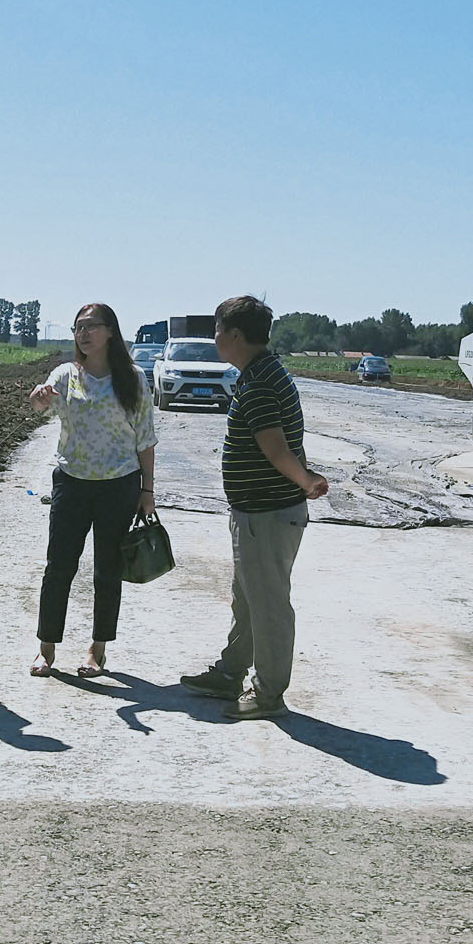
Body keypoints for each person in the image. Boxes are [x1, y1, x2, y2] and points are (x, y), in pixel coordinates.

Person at [179, 295, 328, 720]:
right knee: (247, 601)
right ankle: (231, 673)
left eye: (217, 330)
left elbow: (275, 449)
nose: (214, 338)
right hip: (257, 513)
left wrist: (305, 481)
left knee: (268, 606)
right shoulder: (262, 372)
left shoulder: (260, 381)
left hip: (267, 513)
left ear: (235, 336)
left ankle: (268, 694)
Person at [24, 302, 158, 679]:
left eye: (91, 326)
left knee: (107, 570)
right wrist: (38, 398)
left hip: (119, 485)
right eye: (78, 327)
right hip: (72, 482)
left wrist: (147, 490)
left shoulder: (132, 378)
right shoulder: (65, 375)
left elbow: (145, 438)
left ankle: (97, 650)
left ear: (110, 331)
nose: (83, 334)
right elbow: (40, 407)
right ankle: (46, 648)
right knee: (58, 566)